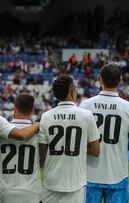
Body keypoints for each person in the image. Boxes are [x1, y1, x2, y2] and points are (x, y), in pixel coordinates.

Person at [80, 64, 129, 203]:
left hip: (90, 175)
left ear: (100, 79)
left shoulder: (85, 105)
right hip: (117, 175)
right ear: (120, 79)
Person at [39, 75, 100, 203]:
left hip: (51, 183)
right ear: (73, 91)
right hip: (76, 184)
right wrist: (78, 145)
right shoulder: (86, 115)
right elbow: (96, 151)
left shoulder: (45, 116)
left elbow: (42, 152)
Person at [0, 94, 42, 203]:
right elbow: (43, 162)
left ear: (14, 109)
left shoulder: (2, 131)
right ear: (32, 110)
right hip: (32, 192)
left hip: (5, 191)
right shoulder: (40, 132)